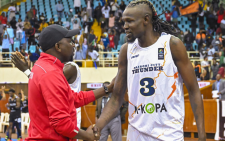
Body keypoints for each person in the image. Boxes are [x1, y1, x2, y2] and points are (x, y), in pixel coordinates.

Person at [93, 0, 206, 141]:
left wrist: (202, 135)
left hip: (169, 134)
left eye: (130, 21)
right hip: (136, 135)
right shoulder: (126, 50)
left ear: (146, 19)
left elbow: (194, 90)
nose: (125, 26)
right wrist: (99, 125)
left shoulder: (172, 44)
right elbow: (116, 98)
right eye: (124, 22)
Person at [11, 24, 113, 141]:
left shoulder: (43, 66)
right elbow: (61, 124)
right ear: (58, 46)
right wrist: (88, 136)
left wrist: (106, 89)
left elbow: (73, 98)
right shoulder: (50, 73)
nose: (74, 45)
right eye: (70, 42)